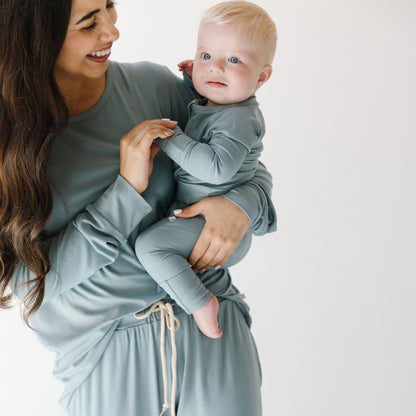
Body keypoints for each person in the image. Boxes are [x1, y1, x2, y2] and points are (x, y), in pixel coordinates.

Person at [0, 1, 276, 415]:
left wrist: (241, 205)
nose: (111, 30)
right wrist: (126, 191)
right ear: (36, 36)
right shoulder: (9, 143)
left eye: (109, 7)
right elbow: (27, 285)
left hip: (213, 333)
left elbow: (243, 162)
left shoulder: (154, 87)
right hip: (105, 358)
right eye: (88, 22)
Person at [134, 1, 277, 339]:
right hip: (201, 217)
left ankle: (201, 304)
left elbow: (216, 168)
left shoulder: (240, 119)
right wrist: (194, 76)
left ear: (262, 76)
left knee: (150, 247)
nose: (216, 69)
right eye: (206, 56)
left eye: (233, 60)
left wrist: (170, 138)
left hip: (218, 229)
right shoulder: (222, 105)